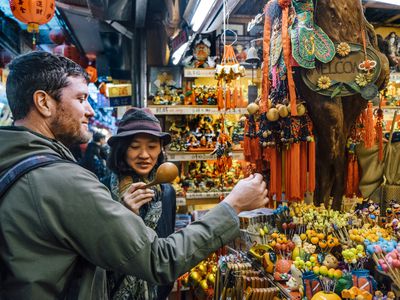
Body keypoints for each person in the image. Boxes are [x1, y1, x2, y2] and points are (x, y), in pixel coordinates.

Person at [0, 51, 268, 300]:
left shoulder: (14, 162)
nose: (90, 111)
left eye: (152, 147)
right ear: (44, 102)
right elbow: (159, 259)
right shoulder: (62, 181)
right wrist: (233, 205)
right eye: (81, 99)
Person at [106, 107, 177, 299]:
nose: (144, 155)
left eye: (152, 146)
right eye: (135, 146)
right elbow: (98, 255)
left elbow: (167, 246)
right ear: (121, 150)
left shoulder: (167, 192)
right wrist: (124, 215)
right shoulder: (102, 189)